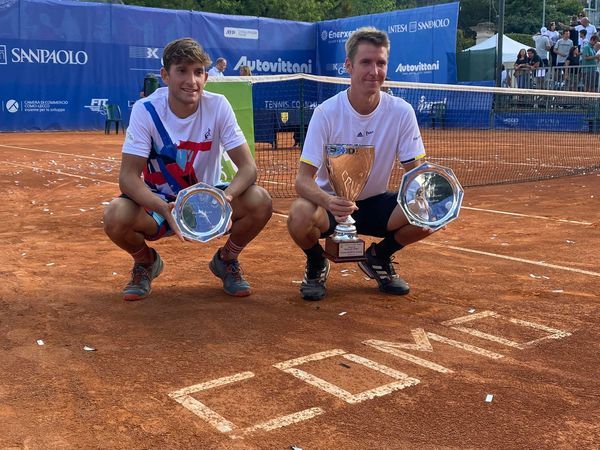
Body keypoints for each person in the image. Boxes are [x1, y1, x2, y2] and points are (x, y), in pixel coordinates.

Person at [103, 38, 272, 300]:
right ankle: (146, 262)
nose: (191, 80)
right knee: (115, 215)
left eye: (198, 72)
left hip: (208, 199)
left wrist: (223, 199)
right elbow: (127, 177)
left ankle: (226, 260)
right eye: (181, 70)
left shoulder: (218, 106)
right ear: (165, 76)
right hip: (159, 202)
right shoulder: (145, 110)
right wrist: (162, 208)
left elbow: (248, 168)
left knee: (260, 200)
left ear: (206, 76)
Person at [286, 27, 435, 301]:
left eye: (381, 63)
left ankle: (378, 257)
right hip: (330, 206)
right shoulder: (326, 113)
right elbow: (302, 181)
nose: (374, 71)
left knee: (431, 212)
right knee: (298, 215)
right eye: (366, 62)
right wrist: (329, 201)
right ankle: (318, 263)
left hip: (377, 203)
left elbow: (416, 173)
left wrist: (429, 201)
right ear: (348, 66)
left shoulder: (401, 112)